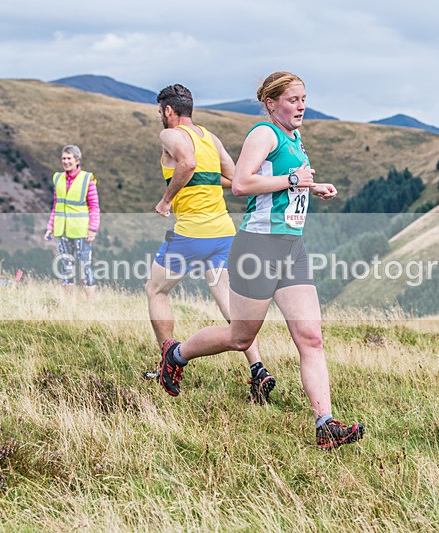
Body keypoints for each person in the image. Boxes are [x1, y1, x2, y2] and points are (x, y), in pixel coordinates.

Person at [155, 72, 364, 450]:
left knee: (311, 337)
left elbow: (289, 182)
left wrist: (314, 187)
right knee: (240, 337)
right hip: (258, 246)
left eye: (304, 99)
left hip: (291, 247)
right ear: (271, 103)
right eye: (293, 99)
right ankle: (176, 354)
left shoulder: (295, 138)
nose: (301, 106)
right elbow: (241, 184)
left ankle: (325, 425)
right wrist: (293, 180)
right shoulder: (263, 134)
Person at [144, 84, 275, 404]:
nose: (161, 117)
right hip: (222, 233)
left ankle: (168, 363)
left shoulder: (170, 136)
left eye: (161, 112)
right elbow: (233, 179)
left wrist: (166, 200)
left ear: (168, 112)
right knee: (232, 309)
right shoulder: (209, 137)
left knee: (155, 290)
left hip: (190, 234)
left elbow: (186, 163)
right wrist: (208, 179)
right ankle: (258, 369)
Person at [43, 145, 99, 298]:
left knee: (84, 266)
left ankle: (91, 305)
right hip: (62, 230)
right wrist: (50, 227)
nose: (66, 161)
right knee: (66, 267)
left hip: (82, 231)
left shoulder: (87, 179)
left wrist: (92, 229)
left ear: (77, 160)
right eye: (64, 158)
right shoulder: (58, 178)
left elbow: (94, 206)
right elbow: (56, 205)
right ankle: (69, 304)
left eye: (69, 158)